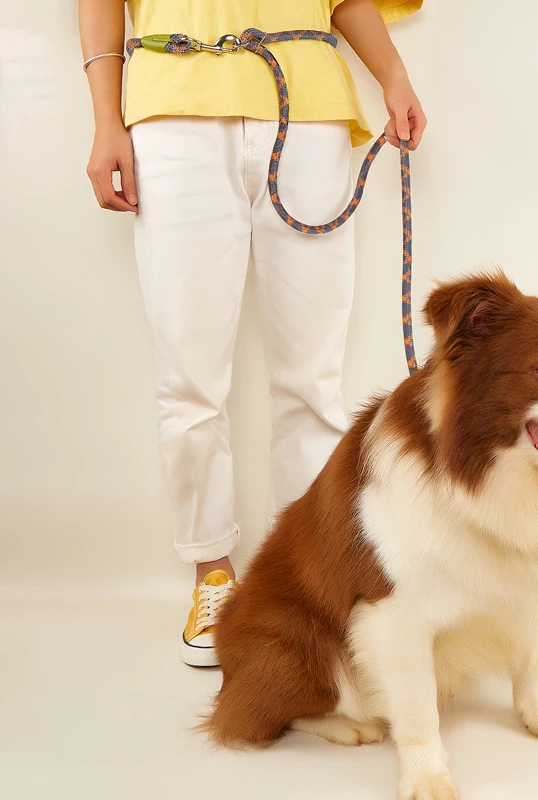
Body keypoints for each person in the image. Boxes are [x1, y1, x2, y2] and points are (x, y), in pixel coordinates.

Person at [78, 0, 426, 666]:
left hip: (309, 113)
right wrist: (104, 120)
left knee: (312, 377)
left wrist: (394, 75)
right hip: (171, 110)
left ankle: (306, 581)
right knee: (189, 376)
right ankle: (212, 572)